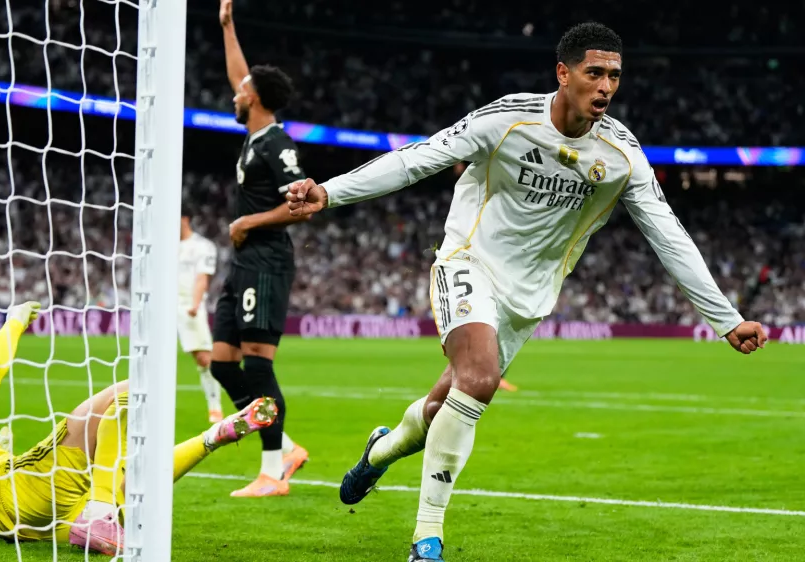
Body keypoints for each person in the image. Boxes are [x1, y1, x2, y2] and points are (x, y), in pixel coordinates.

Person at [285, 23, 767, 561]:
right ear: (563, 73)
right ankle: (427, 538)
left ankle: (381, 451)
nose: (606, 86)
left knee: (448, 403)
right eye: (594, 73)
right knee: (479, 378)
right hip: (467, 261)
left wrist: (725, 318)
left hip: (530, 296)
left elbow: (669, 235)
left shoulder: (622, 156)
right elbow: (416, 158)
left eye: (614, 76)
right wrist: (329, 192)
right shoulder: (507, 118)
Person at [0, 302, 279, 555]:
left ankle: (212, 438)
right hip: (28, 489)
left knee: (126, 482)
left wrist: (0, 448)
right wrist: (15, 321)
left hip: (29, 526)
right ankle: (100, 512)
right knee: (127, 393)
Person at [208, 0, 309, 497]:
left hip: (267, 261)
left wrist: (250, 219)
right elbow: (240, 73)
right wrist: (228, 27)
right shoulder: (253, 135)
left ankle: (273, 473)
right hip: (244, 261)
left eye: (242, 90)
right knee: (223, 362)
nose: (235, 91)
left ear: (257, 100)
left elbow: (304, 204)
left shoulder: (277, 145)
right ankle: (285, 444)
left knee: (257, 365)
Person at [178, 203, 225, 422]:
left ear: (185, 219)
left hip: (187, 306)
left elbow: (201, 278)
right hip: (162, 308)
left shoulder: (202, 246)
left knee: (204, 358)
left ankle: (214, 406)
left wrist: (195, 305)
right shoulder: (161, 245)